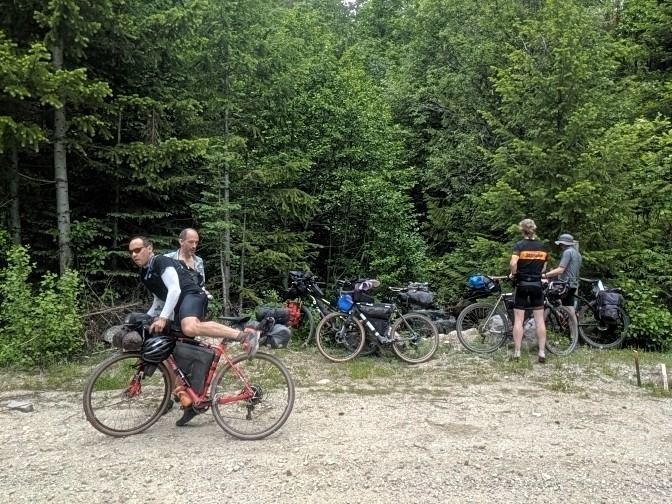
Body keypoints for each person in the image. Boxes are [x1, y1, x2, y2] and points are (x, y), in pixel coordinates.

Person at [128, 235, 259, 426]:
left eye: (138, 250)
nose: (134, 254)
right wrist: (148, 318)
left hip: (192, 295)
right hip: (178, 305)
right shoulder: (144, 273)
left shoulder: (160, 261)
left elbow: (174, 290)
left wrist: (163, 317)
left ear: (149, 248)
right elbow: (159, 299)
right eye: (131, 252)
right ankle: (191, 402)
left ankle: (244, 336)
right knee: (171, 351)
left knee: (189, 327)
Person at [509, 218, 549, 363]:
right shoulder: (543, 247)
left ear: (522, 230)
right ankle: (542, 352)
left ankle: (517, 352)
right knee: (540, 320)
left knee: (519, 320)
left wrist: (514, 274)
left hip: (522, 284)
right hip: (537, 285)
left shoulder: (519, 245)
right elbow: (544, 268)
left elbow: (513, 262)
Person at [164, 227, 212, 299]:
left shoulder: (198, 261)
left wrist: (204, 292)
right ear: (181, 242)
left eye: (196, 242)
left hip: (191, 302)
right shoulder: (168, 259)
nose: (194, 246)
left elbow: (201, 285)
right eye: (191, 242)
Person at [542, 233, 582, 320]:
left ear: (563, 244)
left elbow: (561, 269)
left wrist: (546, 275)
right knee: (569, 307)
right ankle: (573, 325)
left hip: (565, 284)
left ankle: (556, 318)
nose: (560, 246)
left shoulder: (567, 252)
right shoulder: (577, 254)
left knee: (551, 298)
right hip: (573, 283)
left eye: (560, 244)